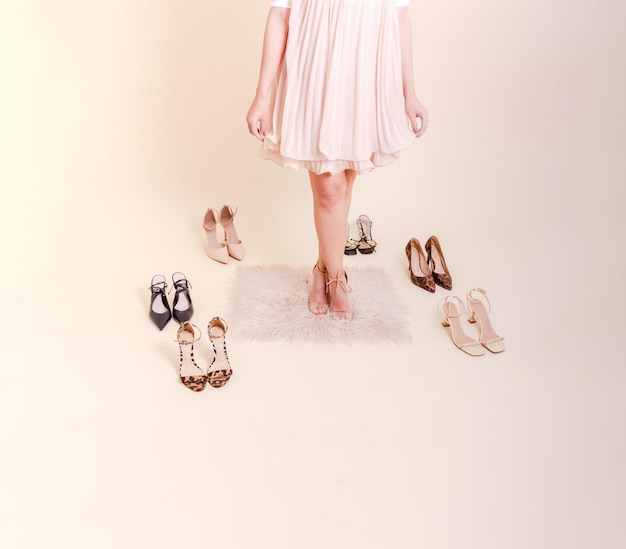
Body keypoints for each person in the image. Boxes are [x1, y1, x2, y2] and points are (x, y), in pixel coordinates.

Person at [246, 0, 428, 322]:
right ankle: (337, 279)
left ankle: (322, 268)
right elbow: (279, 14)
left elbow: (400, 16)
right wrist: (262, 95)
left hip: (365, 70)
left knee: (345, 177)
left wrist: (409, 92)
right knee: (330, 188)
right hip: (315, 67)